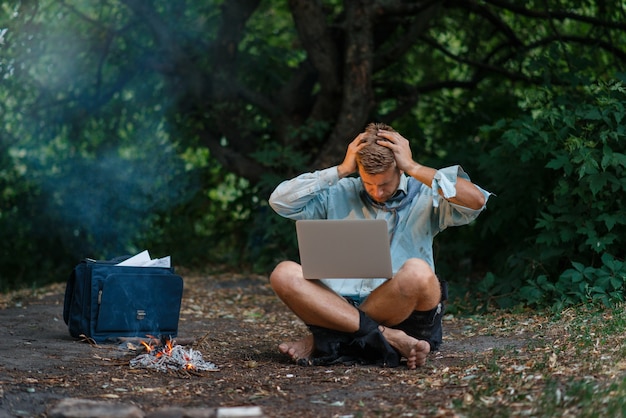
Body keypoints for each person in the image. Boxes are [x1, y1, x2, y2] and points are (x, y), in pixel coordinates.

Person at [268, 122, 490, 369]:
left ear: (399, 167)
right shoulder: (339, 191)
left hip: (404, 314)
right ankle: (388, 337)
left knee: (417, 272)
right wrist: (340, 170)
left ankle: (332, 338)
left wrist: (414, 167)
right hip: (340, 306)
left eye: (384, 184)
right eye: (369, 183)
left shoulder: (426, 193)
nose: (377, 192)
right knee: (284, 273)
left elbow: (476, 201)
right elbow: (280, 202)